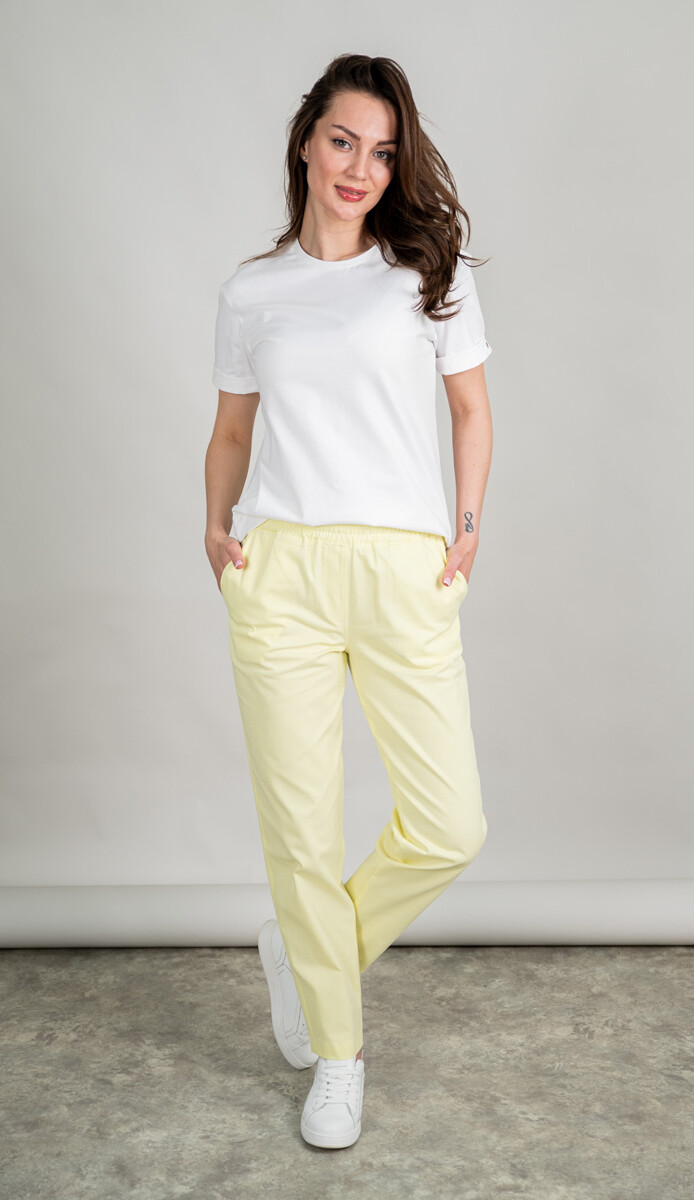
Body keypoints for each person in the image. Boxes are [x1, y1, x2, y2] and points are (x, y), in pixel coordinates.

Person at [204, 53, 493, 1150]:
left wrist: (466, 526)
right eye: (342, 141)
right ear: (306, 140)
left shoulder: (426, 272)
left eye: (380, 151)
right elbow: (231, 430)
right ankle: (339, 1055)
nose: (360, 167)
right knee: (300, 830)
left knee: (450, 825)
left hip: (401, 567)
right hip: (281, 569)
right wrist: (217, 531)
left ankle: (305, 948)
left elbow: (471, 412)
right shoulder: (252, 292)